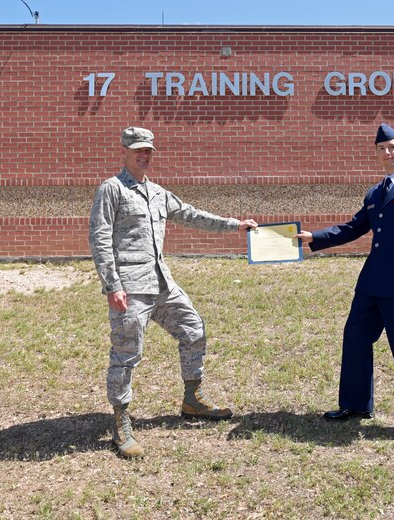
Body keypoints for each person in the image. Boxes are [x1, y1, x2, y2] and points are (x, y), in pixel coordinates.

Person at [89, 126, 257, 458]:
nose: (144, 155)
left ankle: (192, 400)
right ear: (125, 151)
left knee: (194, 330)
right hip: (131, 288)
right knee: (126, 356)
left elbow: (191, 214)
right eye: (138, 149)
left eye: (148, 150)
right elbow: (100, 238)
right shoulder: (112, 189)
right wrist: (112, 285)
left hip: (162, 283)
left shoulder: (157, 193)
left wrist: (233, 225)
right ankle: (121, 424)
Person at [296, 123, 394, 445]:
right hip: (371, 283)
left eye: (392, 147)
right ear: (376, 154)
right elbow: (353, 227)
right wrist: (314, 238)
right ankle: (355, 404)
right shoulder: (375, 193)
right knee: (355, 338)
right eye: (381, 149)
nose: (387, 153)